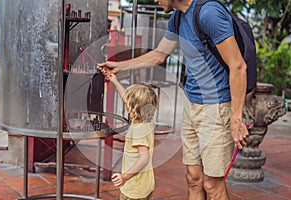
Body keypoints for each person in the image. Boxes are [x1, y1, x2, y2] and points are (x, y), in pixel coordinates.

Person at [98, 0, 249, 199]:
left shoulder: (209, 13)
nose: (155, 0)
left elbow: (238, 66)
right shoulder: (177, 17)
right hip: (192, 102)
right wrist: (120, 66)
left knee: (212, 185)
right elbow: (159, 55)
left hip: (217, 106)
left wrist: (236, 118)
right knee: (193, 178)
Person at [104, 72, 158, 200]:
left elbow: (144, 158)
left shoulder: (139, 130)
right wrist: (115, 80)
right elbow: (127, 99)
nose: (125, 103)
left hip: (134, 187)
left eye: (128, 103)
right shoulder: (145, 120)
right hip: (145, 184)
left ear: (132, 108)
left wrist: (125, 177)